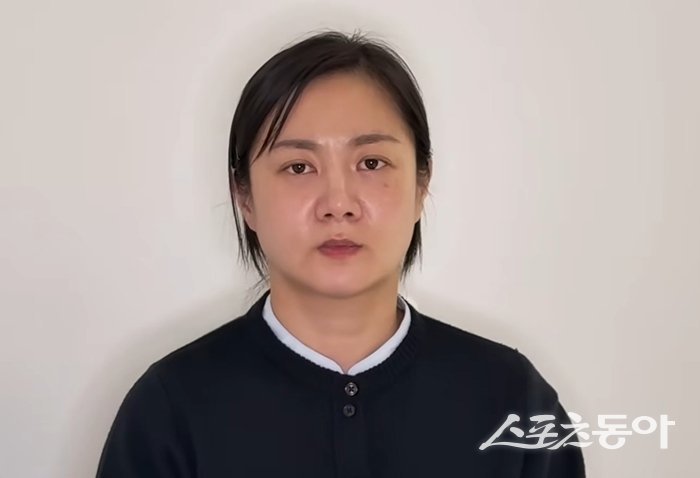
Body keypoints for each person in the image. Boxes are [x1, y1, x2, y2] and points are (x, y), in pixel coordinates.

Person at [96, 30, 586, 477]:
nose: (338, 204)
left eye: (371, 163)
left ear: (422, 184)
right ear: (244, 197)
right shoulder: (171, 409)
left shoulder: (512, 399)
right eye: (298, 167)